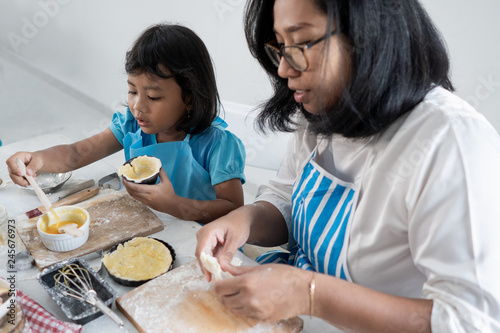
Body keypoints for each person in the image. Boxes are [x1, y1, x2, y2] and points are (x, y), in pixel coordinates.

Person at [195, 0, 500, 331]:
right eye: (281, 47)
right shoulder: (322, 109)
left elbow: (469, 321)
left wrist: (311, 295)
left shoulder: (450, 140)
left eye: (300, 43)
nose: (283, 68)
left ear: (371, 35)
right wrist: (244, 220)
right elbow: (285, 197)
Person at [7, 23, 246, 224]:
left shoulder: (217, 144)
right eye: (132, 91)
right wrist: (37, 159)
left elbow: (232, 207)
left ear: (190, 98)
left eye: (153, 97)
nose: (138, 106)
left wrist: (174, 205)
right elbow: (76, 153)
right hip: (146, 225)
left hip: (201, 239)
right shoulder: (131, 126)